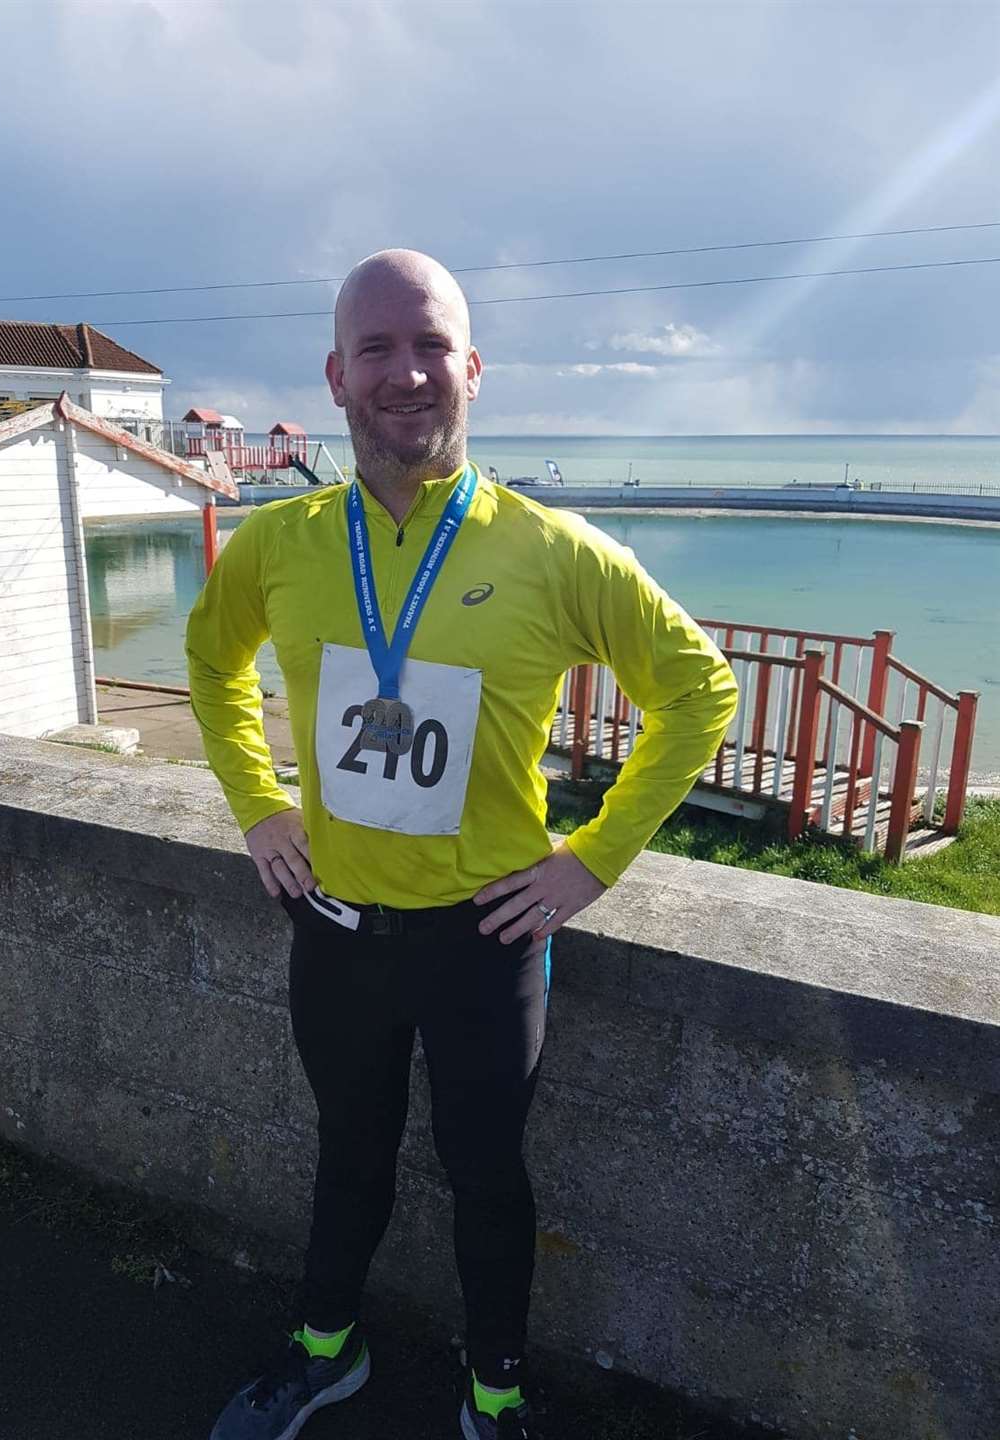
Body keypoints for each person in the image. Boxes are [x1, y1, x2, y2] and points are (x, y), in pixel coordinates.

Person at [186, 249, 738, 1440]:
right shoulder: (281, 545)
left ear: (474, 370)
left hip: (488, 945)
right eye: (377, 349)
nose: (407, 372)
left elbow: (700, 690)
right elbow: (210, 662)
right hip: (335, 933)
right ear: (335, 377)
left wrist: (594, 856)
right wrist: (257, 802)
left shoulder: (551, 551)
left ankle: (495, 1397)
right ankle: (323, 1355)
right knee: (349, 1157)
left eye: (431, 345)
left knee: (489, 1181)